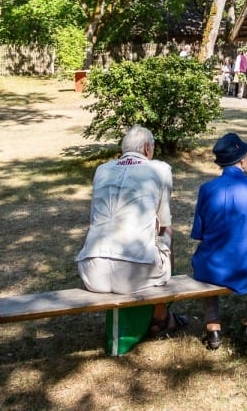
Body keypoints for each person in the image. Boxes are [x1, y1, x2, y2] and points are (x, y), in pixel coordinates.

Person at [75, 125, 184, 337]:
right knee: (168, 235)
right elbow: (164, 223)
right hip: (135, 274)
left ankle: (158, 318)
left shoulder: (102, 170)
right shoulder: (160, 169)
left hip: (91, 271)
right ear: (147, 149)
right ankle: (160, 317)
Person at [190, 133, 247, 350]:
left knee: (205, 258)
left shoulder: (206, 189)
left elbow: (199, 233)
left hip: (213, 267)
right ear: (242, 160)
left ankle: (213, 328)